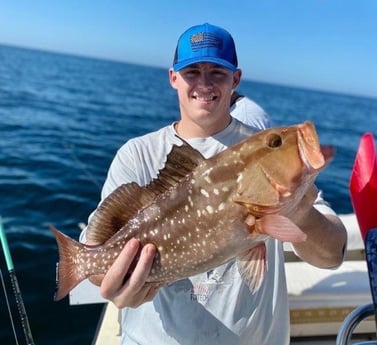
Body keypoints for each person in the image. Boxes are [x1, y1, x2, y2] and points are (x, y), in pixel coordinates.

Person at [82, 23, 347, 345]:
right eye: (192, 71)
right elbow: (96, 260)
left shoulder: (263, 154)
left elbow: (332, 255)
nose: (204, 83)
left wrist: (301, 211)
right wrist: (119, 287)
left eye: (218, 73)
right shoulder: (138, 154)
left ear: (235, 79)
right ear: (173, 78)